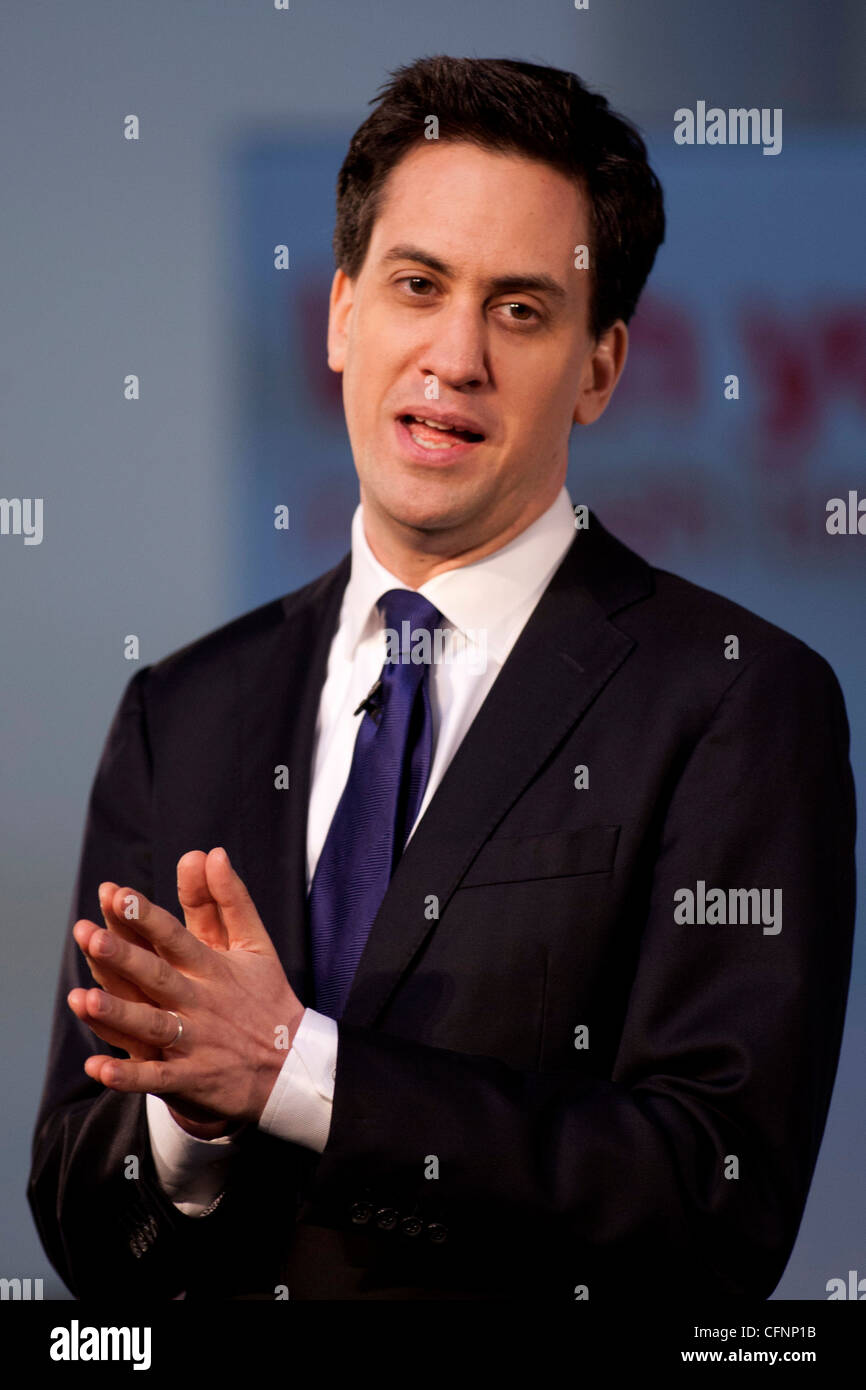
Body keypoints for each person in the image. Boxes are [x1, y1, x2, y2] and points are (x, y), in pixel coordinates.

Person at [28, 55, 855, 1301]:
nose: (454, 356)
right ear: (342, 312)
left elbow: (711, 1201)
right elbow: (85, 1227)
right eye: (418, 286)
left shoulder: (737, 700)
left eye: (520, 309)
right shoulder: (180, 712)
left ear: (599, 366)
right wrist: (187, 1125)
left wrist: (294, 1066)